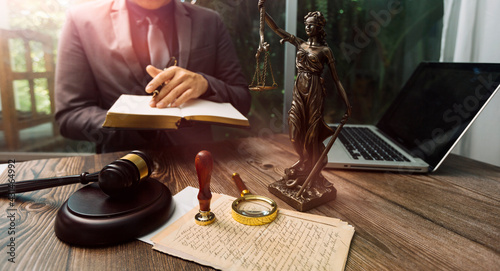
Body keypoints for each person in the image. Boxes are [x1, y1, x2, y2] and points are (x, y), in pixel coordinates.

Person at [55, 0, 250, 152]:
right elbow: (70, 116)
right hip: (122, 167)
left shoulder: (210, 20)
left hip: (200, 162)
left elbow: (242, 100)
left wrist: (206, 85)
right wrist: (132, 123)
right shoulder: (81, 20)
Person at [260, 6, 351, 191]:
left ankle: (311, 170)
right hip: (299, 92)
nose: (308, 28)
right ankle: (303, 161)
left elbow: (336, 79)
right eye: (306, 25)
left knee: (311, 136)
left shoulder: (325, 50)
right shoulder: (300, 43)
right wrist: (263, 11)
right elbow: (277, 29)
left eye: (311, 26)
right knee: (294, 134)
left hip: (315, 93)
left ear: (319, 27)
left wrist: (348, 105)